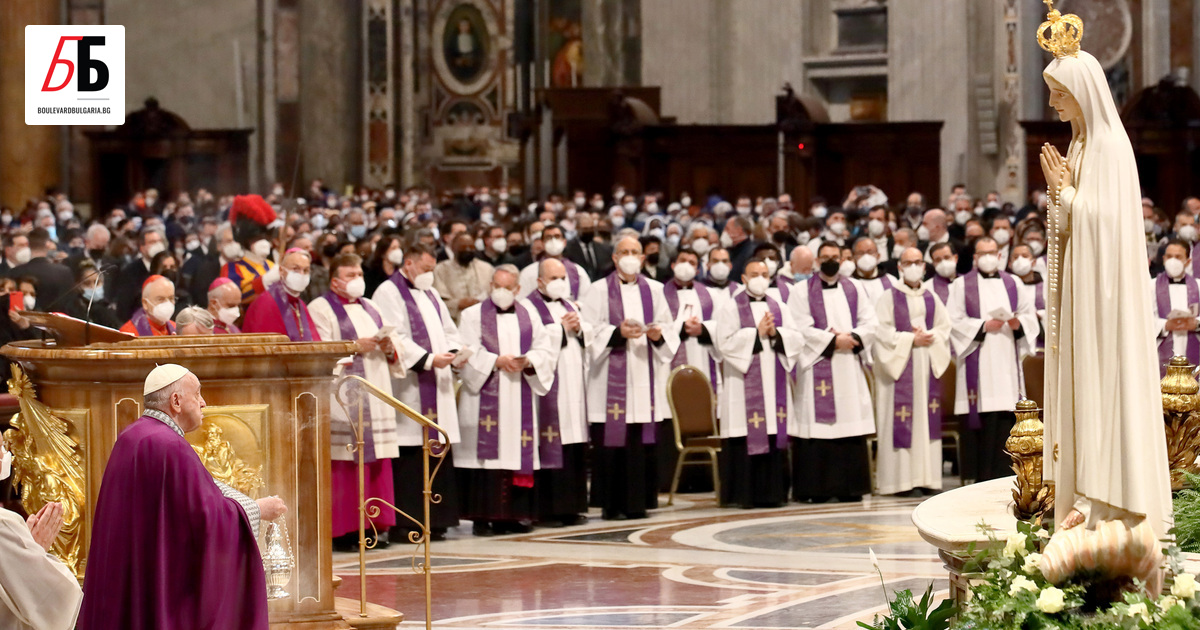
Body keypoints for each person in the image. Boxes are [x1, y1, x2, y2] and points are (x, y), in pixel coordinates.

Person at [1038, 8, 1172, 546]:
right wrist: (1060, 196)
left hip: (1106, 296)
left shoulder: (1112, 147)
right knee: (1083, 384)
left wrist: (1063, 194)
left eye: (1060, 93)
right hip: (1083, 290)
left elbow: (1108, 226)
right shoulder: (1079, 144)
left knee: (1106, 383)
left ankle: (1108, 497)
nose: (1052, 103)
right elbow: (1074, 220)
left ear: (1084, 92)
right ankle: (1085, 495)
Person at [78, 364, 286, 629]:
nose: (203, 402)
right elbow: (208, 520)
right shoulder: (170, 446)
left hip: (134, 576)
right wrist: (257, 509)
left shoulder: (132, 436)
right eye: (197, 393)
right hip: (162, 587)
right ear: (176, 401)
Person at [309, 253, 404, 550]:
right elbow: (318, 351)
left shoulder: (372, 307)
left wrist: (389, 346)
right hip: (343, 395)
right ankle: (346, 530)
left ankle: (375, 527)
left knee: (376, 463)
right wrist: (353, 346)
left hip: (375, 391)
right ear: (335, 280)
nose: (357, 280)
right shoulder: (320, 308)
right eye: (350, 275)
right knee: (345, 464)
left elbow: (395, 347)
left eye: (359, 273)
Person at [581, 236, 679, 519]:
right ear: (614, 258)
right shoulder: (598, 290)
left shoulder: (657, 290)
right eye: (624, 251)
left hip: (644, 377)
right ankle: (612, 505)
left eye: (635, 252)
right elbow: (588, 331)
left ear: (642, 258)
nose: (630, 256)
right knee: (612, 444)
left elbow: (669, 328)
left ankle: (640, 502)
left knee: (639, 443)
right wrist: (617, 333)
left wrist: (658, 334)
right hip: (609, 379)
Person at [371, 243, 462, 540]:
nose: (429, 276)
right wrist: (427, 359)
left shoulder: (432, 293)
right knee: (411, 454)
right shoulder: (388, 292)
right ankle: (407, 524)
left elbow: (449, 328)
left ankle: (437, 521)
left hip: (438, 380)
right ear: (408, 263)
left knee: (437, 449)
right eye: (425, 269)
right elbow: (394, 335)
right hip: (409, 384)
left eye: (432, 270)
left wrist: (452, 351)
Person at [455, 265, 555, 535]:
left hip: (517, 393)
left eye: (506, 287)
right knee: (485, 459)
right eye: (496, 286)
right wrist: (495, 361)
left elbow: (545, 349)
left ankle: (515, 515)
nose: (500, 292)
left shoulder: (529, 314)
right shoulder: (472, 315)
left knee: (515, 450)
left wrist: (529, 360)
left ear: (517, 290)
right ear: (490, 286)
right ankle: (482, 517)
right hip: (484, 396)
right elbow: (464, 351)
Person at [789, 241, 877, 503]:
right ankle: (815, 490)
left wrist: (853, 337)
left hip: (848, 365)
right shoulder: (801, 291)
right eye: (825, 257)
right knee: (818, 429)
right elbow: (798, 327)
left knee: (849, 426)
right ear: (816, 261)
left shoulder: (855, 287)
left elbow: (871, 322)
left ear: (842, 259)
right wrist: (831, 341)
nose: (830, 261)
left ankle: (850, 489)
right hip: (818, 366)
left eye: (834, 257)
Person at [946, 237, 1038, 482]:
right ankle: (976, 478)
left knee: (1003, 420)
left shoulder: (1013, 283)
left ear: (999, 255)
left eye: (992, 252)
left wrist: (1019, 323)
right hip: (976, 365)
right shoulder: (960, 285)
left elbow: (1030, 318)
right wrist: (983, 325)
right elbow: (952, 321)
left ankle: (1005, 477)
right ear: (975, 258)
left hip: (1006, 362)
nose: (987, 257)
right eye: (982, 253)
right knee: (980, 422)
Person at [714, 260, 801, 507]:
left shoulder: (780, 307)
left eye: (764, 274)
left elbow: (796, 339)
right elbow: (725, 344)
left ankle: (774, 494)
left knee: (772, 432)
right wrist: (756, 332)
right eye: (754, 274)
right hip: (742, 386)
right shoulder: (730, 308)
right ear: (743, 278)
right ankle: (744, 496)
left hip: (774, 387)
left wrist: (776, 334)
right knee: (745, 433)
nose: (760, 278)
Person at [872, 248, 952, 496]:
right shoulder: (888, 297)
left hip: (926, 364)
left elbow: (945, 327)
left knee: (926, 421)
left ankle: (926, 479)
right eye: (909, 262)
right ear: (900, 266)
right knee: (902, 420)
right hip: (899, 369)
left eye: (918, 262)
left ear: (924, 267)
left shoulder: (932, 296)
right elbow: (881, 334)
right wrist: (909, 340)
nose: (914, 266)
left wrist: (931, 336)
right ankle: (899, 482)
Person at [527, 258, 592, 526]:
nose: (560, 283)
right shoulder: (529, 307)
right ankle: (549, 510)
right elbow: (533, 340)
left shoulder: (570, 305)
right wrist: (560, 330)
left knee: (574, 444)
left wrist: (580, 328)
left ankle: (573, 507)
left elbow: (590, 339)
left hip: (574, 385)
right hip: (548, 389)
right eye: (554, 278)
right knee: (552, 443)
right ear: (540, 281)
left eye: (563, 278)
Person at [0, 435, 81, 630]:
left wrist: (25, 549)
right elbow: (57, 599)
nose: (6, 454)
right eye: (2, 446)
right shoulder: (4, 524)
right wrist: (34, 551)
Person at [241, 248, 320, 341]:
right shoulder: (266, 303)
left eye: (306, 270)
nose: (301, 274)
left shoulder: (300, 304)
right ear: (281, 271)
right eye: (296, 269)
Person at [219, 194, 278, 307]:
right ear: (247, 242)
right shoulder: (232, 268)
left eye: (266, 238)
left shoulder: (271, 265)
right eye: (257, 239)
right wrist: (264, 281)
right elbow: (235, 297)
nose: (264, 243)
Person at [1153, 239, 1200, 376]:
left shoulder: (1198, 286)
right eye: (1169, 256)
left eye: (1178, 257)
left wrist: (1196, 323)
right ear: (1163, 259)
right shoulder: (1150, 286)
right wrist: (1165, 325)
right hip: (1161, 350)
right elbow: (1143, 319)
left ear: (1188, 261)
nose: (1173, 261)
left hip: (1192, 347)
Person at [518, 224, 592, 301]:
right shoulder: (528, 273)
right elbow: (521, 301)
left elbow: (588, 300)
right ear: (542, 244)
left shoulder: (578, 272)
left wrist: (578, 305)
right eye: (548, 238)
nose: (553, 241)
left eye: (557, 236)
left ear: (564, 242)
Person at [433, 232, 494, 322]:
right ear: (453, 248)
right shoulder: (441, 270)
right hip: (455, 321)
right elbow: (438, 303)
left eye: (471, 247)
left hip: (483, 319)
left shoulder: (486, 268)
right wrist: (458, 304)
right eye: (463, 248)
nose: (468, 250)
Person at [13, 228, 74, 312]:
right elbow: (70, 304)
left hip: (25, 321)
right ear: (48, 244)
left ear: (28, 244)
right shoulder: (64, 272)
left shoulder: (15, 272)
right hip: (57, 323)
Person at [113, 228, 167, 319]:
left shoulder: (169, 266)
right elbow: (124, 305)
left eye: (159, 241)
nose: (158, 245)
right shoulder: (130, 271)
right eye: (152, 242)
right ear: (142, 248)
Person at [1009, 243, 1046, 353]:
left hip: (1040, 344)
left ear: (1034, 262)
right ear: (1010, 264)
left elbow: (1057, 314)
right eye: (1016, 257)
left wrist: (1038, 315)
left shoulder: (1046, 287)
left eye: (1025, 256)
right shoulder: (1004, 286)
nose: (1020, 260)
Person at [565, 212, 614, 280]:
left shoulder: (605, 249)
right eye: (585, 229)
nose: (588, 231)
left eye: (591, 228)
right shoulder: (568, 249)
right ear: (578, 228)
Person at [850, 237, 895, 306]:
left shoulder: (892, 281)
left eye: (870, 252)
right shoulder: (849, 284)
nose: (866, 256)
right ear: (854, 257)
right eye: (860, 253)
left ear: (878, 256)